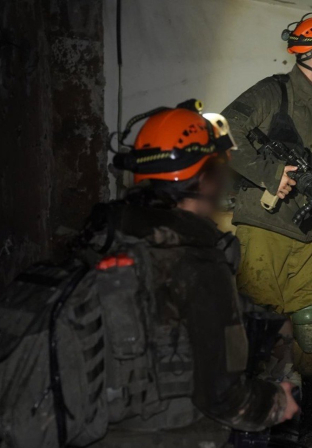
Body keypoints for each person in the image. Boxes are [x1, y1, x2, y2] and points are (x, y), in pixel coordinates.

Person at [90, 102, 300, 431]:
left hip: (100, 422)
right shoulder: (198, 261)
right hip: (158, 433)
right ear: (204, 180)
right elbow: (225, 399)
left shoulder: (108, 235)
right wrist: (277, 403)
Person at [221, 13, 312, 442]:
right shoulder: (272, 93)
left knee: (311, 323)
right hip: (264, 226)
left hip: (310, 234)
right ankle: (247, 414)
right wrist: (270, 173)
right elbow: (222, 130)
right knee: (257, 323)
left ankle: (311, 411)